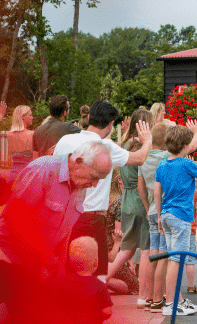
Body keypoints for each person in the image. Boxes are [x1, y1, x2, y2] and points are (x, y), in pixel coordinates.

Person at [0, 142, 112, 323]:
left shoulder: (80, 186)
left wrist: (60, 269)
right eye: (94, 177)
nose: (94, 185)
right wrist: (46, 259)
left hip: (36, 260)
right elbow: (16, 219)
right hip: (6, 254)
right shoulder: (43, 170)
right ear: (78, 161)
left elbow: (65, 231)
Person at [53, 100, 152, 277]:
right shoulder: (105, 146)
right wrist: (147, 141)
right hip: (92, 219)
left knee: (66, 273)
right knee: (95, 276)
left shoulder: (65, 140)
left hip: (64, 216)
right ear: (111, 124)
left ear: (90, 117)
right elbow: (139, 158)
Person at [155, 122, 197, 316]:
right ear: (185, 146)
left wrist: (159, 216)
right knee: (176, 259)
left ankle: (177, 300)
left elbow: (157, 192)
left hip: (166, 214)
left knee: (171, 257)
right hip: (181, 216)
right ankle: (171, 302)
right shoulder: (186, 163)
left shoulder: (162, 164)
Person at [107, 108, 153, 308]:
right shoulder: (141, 147)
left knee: (126, 249)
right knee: (145, 250)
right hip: (138, 200)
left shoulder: (124, 144)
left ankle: (102, 279)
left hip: (126, 199)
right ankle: (144, 295)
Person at [137, 123, 171, 313]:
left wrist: (147, 206)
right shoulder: (167, 157)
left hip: (150, 209)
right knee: (164, 256)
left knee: (152, 255)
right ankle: (160, 297)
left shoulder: (144, 158)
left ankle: (149, 296)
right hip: (164, 211)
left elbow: (140, 187)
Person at [44, 236, 113, 324]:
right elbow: (107, 311)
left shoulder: (60, 282)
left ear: (70, 262)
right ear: (95, 263)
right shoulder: (99, 285)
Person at [104, 166, 139, 294]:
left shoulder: (106, 197)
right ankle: (96, 279)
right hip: (112, 248)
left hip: (102, 246)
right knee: (136, 287)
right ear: (120, 180)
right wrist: (128, 260)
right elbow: (119, 233)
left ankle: (99, 278)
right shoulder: (118, 201)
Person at [7, 105, 35, 177]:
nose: (32, 117)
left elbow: (9, 159)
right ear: (23, 116)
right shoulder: (31, 134)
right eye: (30, 115)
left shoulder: (9, 134)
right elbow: (36, 160)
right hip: (27, 176)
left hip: (13, 174)